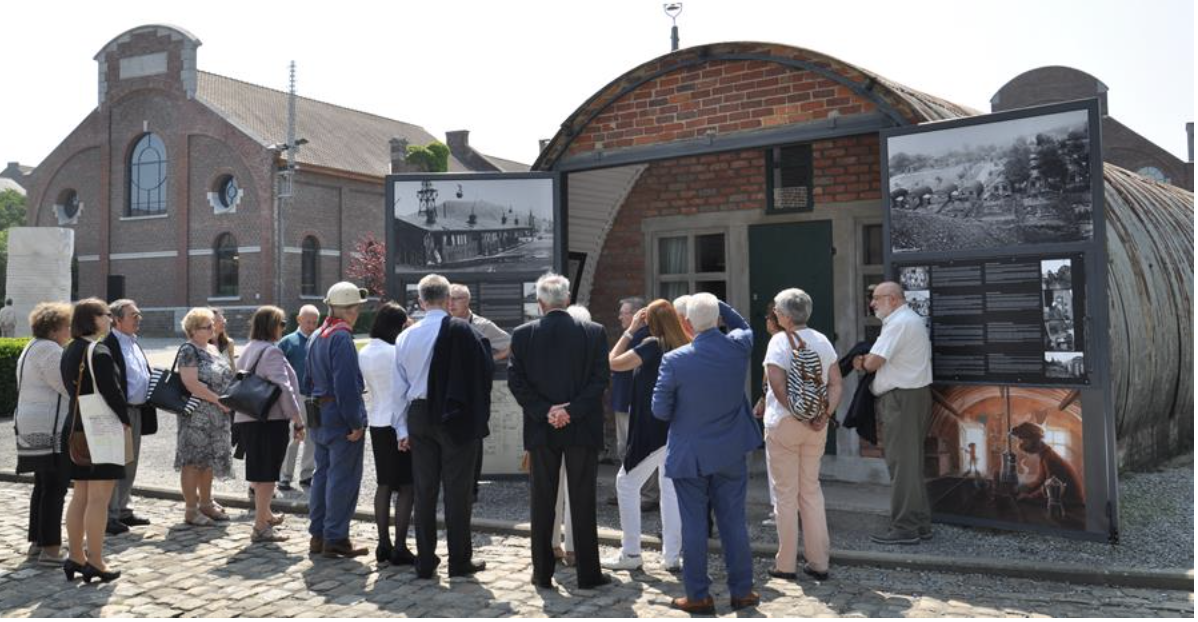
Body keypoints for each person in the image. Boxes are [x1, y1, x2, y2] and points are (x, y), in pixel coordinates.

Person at [652, 293, 761, 614]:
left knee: (694, 525)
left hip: (690, 453)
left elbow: (659, 410)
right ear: (717, 320)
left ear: (686, 324)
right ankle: (742, 592)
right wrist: (717, 305)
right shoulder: (739, 346)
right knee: (733, 523)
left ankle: (698, 595)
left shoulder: (675, 360)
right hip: (729, 451)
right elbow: (742, 324)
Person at [508, 272, 612, 590]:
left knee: (542, 501)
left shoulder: (523, 334)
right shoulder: (594, 332)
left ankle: (542, 574)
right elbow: (600, 380)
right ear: (567, 299)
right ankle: (588, 574)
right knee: (582, 500)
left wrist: (546, 411)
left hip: (542, 428)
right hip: (581, 426)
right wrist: (570, 411)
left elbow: (517, 382)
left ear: (540, 303)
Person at [393, 274, 492, 579]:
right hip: (454, 415)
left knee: (424, 491)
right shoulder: (464, 330)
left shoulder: (406, 336)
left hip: (419, 414)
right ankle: (459, 560)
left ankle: (425, 560)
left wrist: (401, 430)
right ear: (449, 300)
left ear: (421, 301)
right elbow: (483, 373)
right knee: (457, 491)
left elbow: (400, 388)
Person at [763, 289, 843, 581]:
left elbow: (777, 385)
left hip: (785, 422)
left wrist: (800, 414)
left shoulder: (778, 341)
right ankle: (819, 562)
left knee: (785, 495)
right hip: (817, 426)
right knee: (810, 490)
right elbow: (836, 384)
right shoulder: (822, 340)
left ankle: (785, 564)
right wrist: (823, 414)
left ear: (784, 315)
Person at [602, 299, 686, 573]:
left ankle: (631, 552)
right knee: (670, 492)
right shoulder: (684, 344)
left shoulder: (652, 345)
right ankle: (672, 556)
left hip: (651, 428)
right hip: (675, 427)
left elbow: (613, 363)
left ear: (650, 321)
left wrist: (631, 330)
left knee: (626, 484)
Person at [853, 281, 933, 545]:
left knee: (901, 464)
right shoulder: (907, 320)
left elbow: (874, 362)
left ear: (894, 299)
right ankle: (920, 524)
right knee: (910, 463)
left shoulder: (899, 323)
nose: (872, 303)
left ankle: (905, 527)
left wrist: (860, 362)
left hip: (902, 398)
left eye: (876, 298)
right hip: (911, 396)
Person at [60, 298, 128, 583]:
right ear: (93, 318)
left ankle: (76, 555)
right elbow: (112, 393)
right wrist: (124, 419)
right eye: (106, 314)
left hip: (75, 428)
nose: (110, 318)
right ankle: (96, 561)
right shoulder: (97, 351)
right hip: (99, 429)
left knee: (80, 496)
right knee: (99, 499)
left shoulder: (69, 350)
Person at [305, 282, 370, 558]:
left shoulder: (317, 334)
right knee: (342, 479)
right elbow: (346, 386)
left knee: (322, 475)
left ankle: (318, 534)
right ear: (352, 310)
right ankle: (336, 536)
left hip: (319, 412)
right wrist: (355, 422)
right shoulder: (341, 336)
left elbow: (307, 380)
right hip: (339, 414)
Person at [235, 306, 305, 542]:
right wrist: (297, 420)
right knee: (267, 474)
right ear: (271, 326)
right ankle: (260, 527)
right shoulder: (271, 352)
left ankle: (265, 515)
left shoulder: (249, 348)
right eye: (281, 323)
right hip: (269, 419)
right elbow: (284, 389)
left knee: (259, 470)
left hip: (248, 417)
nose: (283, 328)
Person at [358, 302, 416, 566]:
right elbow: (403, 392)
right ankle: (401, 545)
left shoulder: (366, 351)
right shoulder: (395, 352)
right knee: (406, 486)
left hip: (377, 420)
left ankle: (383, 543)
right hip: (397, 422)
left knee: (383, 483)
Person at [14, 302, 72, 566]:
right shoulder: (50, 350)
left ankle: (38, 543)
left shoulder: (32, 346)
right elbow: (65, 386)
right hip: (48, 426)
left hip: (31, 422)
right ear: (54, 329)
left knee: (43, 484)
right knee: (55, 486)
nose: (69, 330)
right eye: (66, 326)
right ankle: (50, 549)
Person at [448, 283, 510, 502]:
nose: (451, 303)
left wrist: (489, 360)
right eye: (449, 298)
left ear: (467, 301)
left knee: (474, 437)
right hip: (450, 389)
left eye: (456, 298)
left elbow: (510, 344)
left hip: (475, 391)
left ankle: (472, 487)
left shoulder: (483, 325)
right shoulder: (444, 324)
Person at [175, 307, 235, 526]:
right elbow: (190, 382)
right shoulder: (189, 350)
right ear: (193, 330)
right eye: (207, 326)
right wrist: (217, 400)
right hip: (197, 415)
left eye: (212, 324)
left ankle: (207, 503)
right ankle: (191, 509)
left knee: (208, 460)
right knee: (192, 461)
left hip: (217, 415)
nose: (213, 328)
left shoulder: (211, 348)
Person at [102, 299, 156, 536]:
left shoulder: (133, 342)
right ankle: (110, 515)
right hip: (119, 413)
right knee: (116, 464)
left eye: (139, 315)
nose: (138, 319)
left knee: (130, 463)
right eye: (133, 315)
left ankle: (123, 510)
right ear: (116, 319)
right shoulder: (109, 344)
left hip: (138, 410)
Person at [278, 305, 320, 491]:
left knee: (312, 437)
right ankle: (285, 476)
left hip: (316, 396)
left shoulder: (319, 340)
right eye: (308, 321)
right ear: (299, 320)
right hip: (296, 396)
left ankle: (307, 475)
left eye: (314, 322)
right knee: (292, 436)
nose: (311, 325)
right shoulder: (288, 342)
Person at [608, 296, 645, 463]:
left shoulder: (641, 338)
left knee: (627, 449)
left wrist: (628, 332)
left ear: (636, 315)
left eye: (624, 313)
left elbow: (612, 362)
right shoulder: (635, 337)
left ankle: (633, 488)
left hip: (630, 401)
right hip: (625, 400)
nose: (619, 317)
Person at [755, 302, 782, 527]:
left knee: (776, 465)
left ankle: (780, 511)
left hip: (779, 413)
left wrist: (765, 398)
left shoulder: (776, 342)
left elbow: (770, 378)